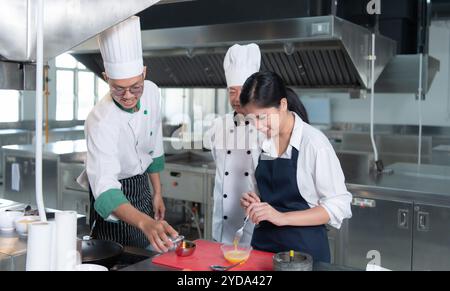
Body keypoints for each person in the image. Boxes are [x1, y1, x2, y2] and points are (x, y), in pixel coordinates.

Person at [77, 16, 178, 252]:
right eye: (118, 89)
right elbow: (105, 187)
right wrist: (144, 222)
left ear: (144, 73)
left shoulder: (152, 92)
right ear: (106, 78)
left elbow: (153, 144)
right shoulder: (100, 120)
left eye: (135, 87)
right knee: (118, 253)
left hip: (141, 184)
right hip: (114, 194)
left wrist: (158, 193)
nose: (129, 96)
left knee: (146, 250)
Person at [240, 71, 352, 262]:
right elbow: (262, 192)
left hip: (304, 254)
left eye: (262, 117)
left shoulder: (314, 143)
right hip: (263, 250)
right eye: (251, 119)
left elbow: (339, 205)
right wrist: (253, 202)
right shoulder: (259, 142)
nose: (257, 126)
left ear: (282, 105)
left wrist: (282, 217)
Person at [207, 44, 263, 245]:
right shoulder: (217, 127)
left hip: (254, 227)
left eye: (243, 91)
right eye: (232, 91)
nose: (237, 98)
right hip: (222, 225)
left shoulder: (266, 129)